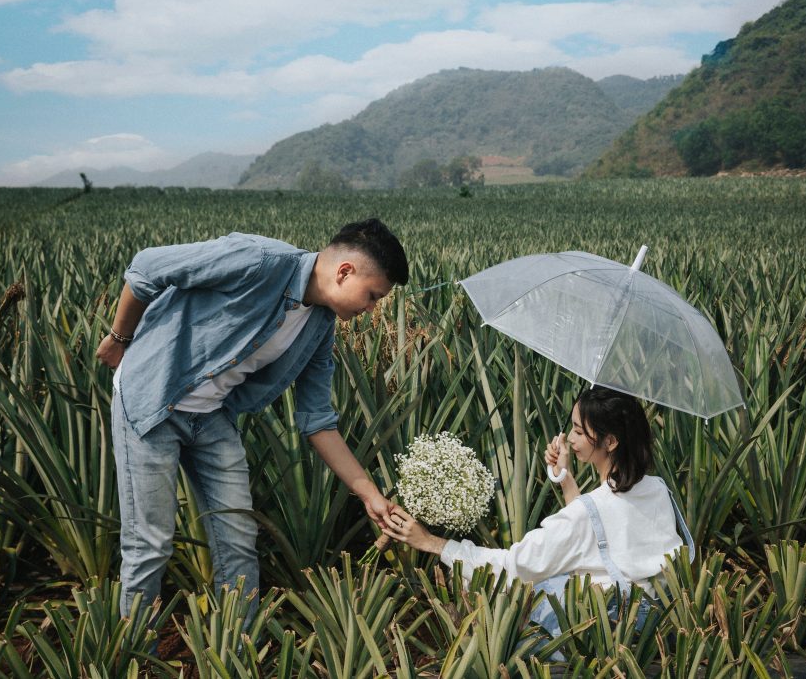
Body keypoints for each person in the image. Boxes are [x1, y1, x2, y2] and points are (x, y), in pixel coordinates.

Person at [96, 218, 407, 615]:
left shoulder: (319, 326)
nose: (371, 308)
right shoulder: (259, 260)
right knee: (150, 542)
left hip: (211, 417)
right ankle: (135, 659)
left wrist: (370, 495)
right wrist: (119, 339)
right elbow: (146, 267)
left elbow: (317, 420)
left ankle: (235, 653)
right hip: (152, 400)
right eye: (372, 296)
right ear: (344, 272)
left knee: (239, 540)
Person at [382, 387, 694, 637]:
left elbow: (514, 566)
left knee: (502, 591)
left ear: (610, 441)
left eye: (578, 431)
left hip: (601, 632)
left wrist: (431, 543)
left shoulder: (588, 513)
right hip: (655, 623)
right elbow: (600, 538)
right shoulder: (656, 489)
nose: (569, 439)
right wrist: (566, 480)